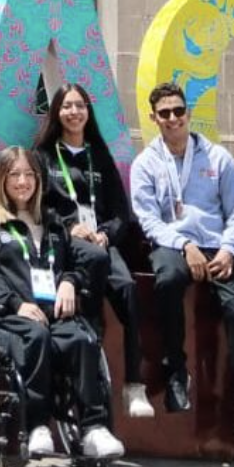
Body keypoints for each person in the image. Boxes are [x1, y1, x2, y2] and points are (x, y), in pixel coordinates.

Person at [129, 82, 234, 458]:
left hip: (216, 246)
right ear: (154, 117)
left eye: (179, 111)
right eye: (165, 113)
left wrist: (228, 249)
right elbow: (148, 220)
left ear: (188, 113)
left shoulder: (218, 157)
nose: (173, 119)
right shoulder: (145, 163)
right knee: (170, 279)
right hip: (173, 244)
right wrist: (184, 245)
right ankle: (176, 370)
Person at [0, 146, 126, 460]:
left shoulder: (54, 224)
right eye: (15, 175)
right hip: (11, 318)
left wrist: (70, 282)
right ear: (2, 179)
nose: (23, 181)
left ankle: (94, 428)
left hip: (55, 313)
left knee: (83, 339)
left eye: (30, 174)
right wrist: (13, 305)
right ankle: (38, 424)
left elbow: (76, 266)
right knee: (35, 336)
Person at [33, 83, 153, 418]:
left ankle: (134, 385)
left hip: (100, 243)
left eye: (80, 105)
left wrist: (105, 234)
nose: (74, 112)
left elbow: (119, 212)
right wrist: (70, 227)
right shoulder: (43, 156)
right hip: (63, 242)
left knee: (127, 288)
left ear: (89, 111)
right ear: (57, 112)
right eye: (67, 106)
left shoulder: (99, 156)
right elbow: (36, 205)